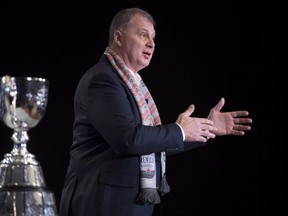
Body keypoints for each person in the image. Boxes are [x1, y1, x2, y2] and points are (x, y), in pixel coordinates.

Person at [59, 7, 252, 216]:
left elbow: (153, 142)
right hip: (103, 204)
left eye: (153, 37)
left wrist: (207, 128)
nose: (151, 43)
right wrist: (179, 130)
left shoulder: (133, 84)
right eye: (143, 35)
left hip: (131, 205)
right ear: (118, 37)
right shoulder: (103, 80)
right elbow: (128, 139)